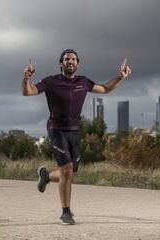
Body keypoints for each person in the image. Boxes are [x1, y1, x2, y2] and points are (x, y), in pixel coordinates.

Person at [22, 49, 131, 225]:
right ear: (61, 63)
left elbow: (104, 89)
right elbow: (28, 92)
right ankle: (66, 213)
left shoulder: (83, 82)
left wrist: (120, 77)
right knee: (66, 170)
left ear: (77, 64)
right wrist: (26, 78)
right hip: (56, 129)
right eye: (67, 59)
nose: (70, 61)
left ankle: (46, 176)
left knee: (70, 173)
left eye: (73, 59)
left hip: (75, 131)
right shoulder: (51, 81)